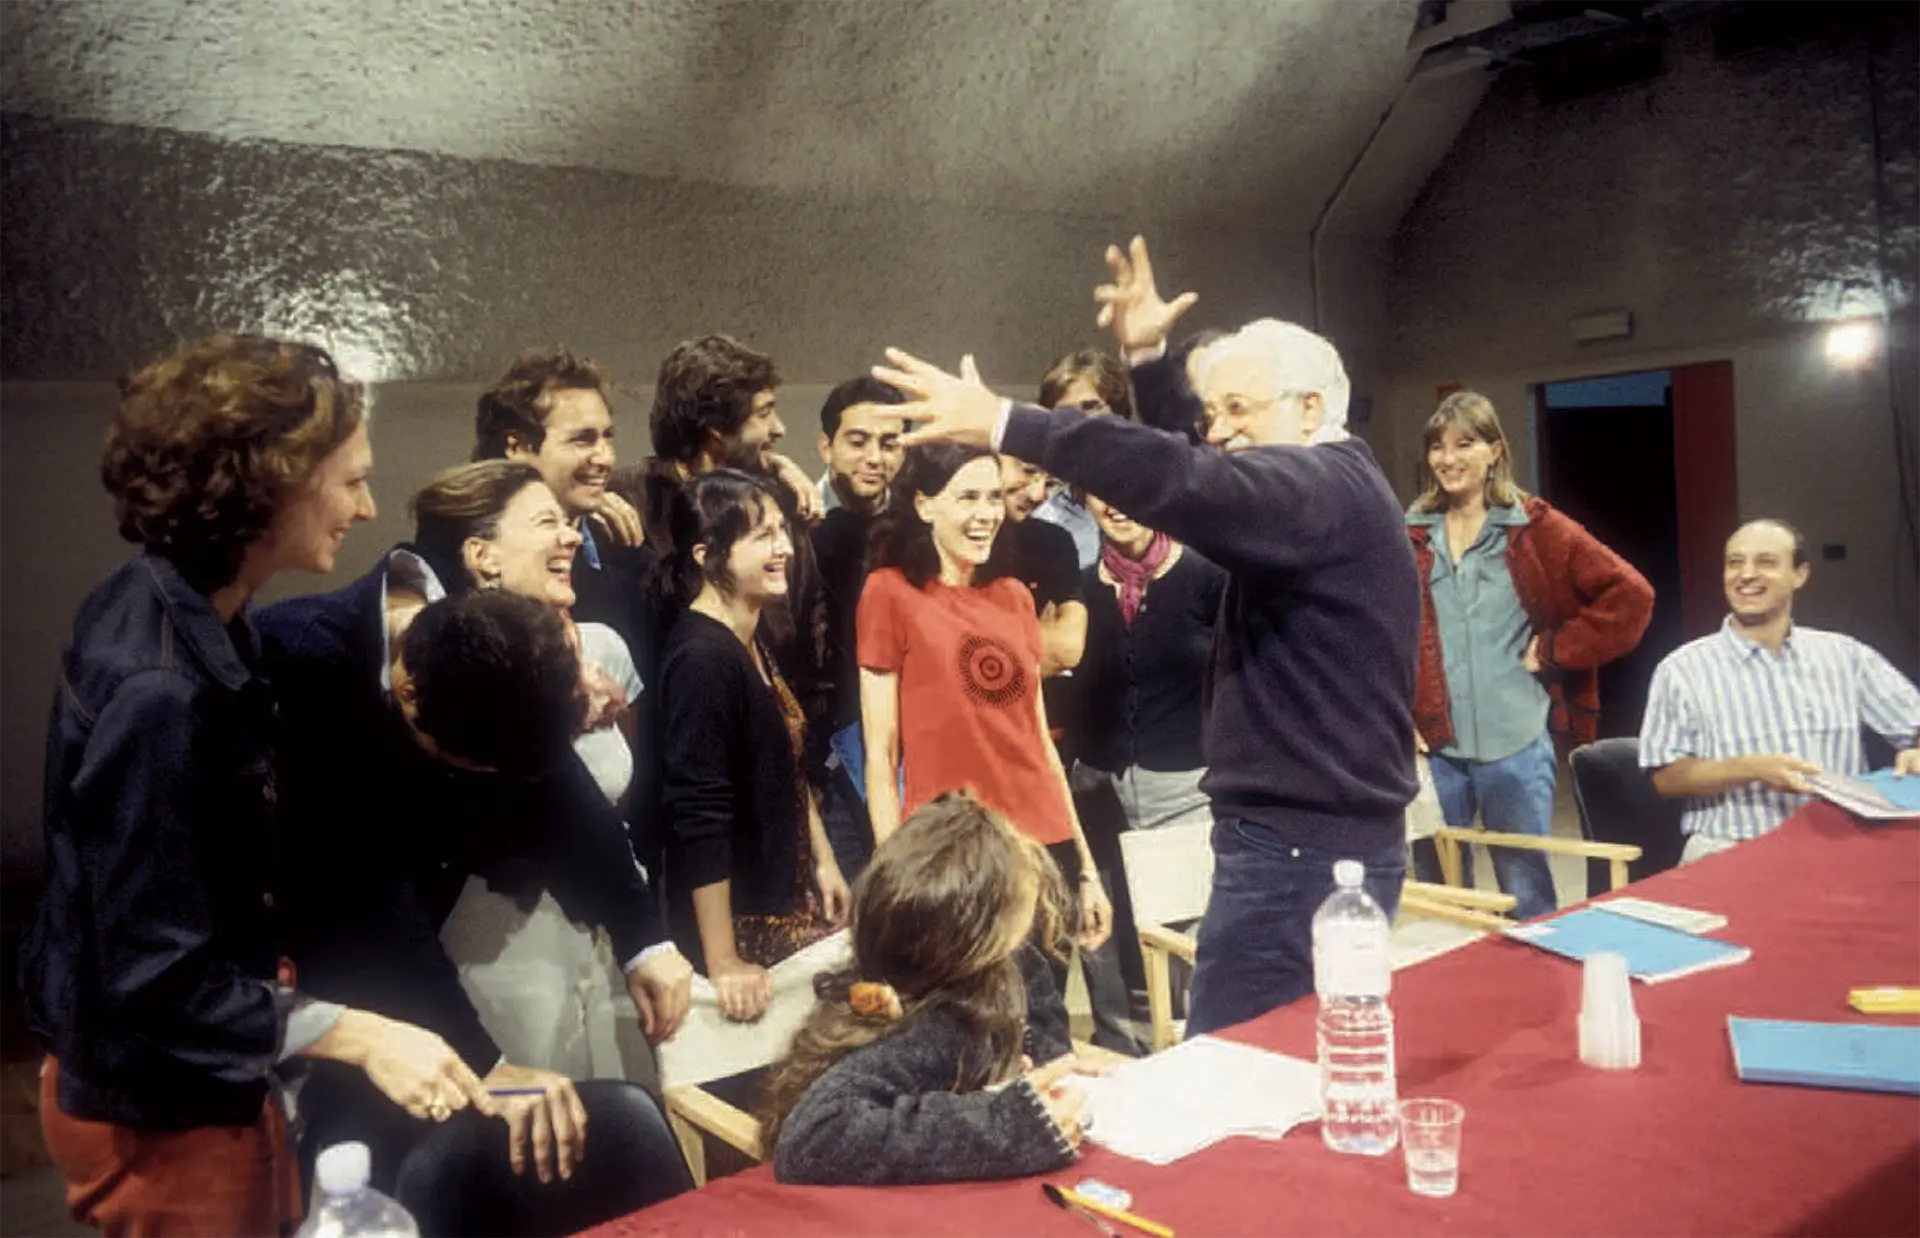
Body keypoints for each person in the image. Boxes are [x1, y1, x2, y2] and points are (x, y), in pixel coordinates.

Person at [869, 235, 1421, 1034]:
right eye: (1214, 410)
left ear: (1310, 409)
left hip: (1300, 856)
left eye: (1241, 410)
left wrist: (1005, 421)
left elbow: (1193, 481)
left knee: (1236, 1076)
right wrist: (1155, 364)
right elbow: (1201, 473)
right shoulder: (1324, 486)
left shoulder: (1320, 489)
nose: (1220, 428)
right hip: (1305, 843)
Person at [19, 334, 501, 1237]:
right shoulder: (159, 692)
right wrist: (358, 1033)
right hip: (159, 1111)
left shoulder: (186, 606)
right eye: (350, 480)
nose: (366, 507)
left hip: (194, 1083)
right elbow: (156, 980)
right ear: (269, 483)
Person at [286, 591, 694, 1236]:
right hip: (341, 994)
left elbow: (566, 793)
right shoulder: (315, 695)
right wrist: (489, 1067)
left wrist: (645, 939)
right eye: (479, 769)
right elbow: (383, 932)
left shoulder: (496, 657)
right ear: (411, 700)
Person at [396, 460, 670, 1086]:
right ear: (482, 555)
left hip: (590, 934)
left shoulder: (595, 650)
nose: (574, 536)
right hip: (499, 942)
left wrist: (640, 932)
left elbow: (604, 803)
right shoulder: (445, 677)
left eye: (572, 523)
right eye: (549, 521)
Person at [762, 792, 1100, 1186]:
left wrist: (1033, 1068)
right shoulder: (934, 1027)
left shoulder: (1011, 969)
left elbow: (1047, 1046)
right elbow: (810, 1141)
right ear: (977, 940)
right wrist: (1008, 1125)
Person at [1406, 391, 1653, 919]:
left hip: (1513, 738)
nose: (1448, 459)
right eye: (1437, 447)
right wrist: (1399, 721)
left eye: (1464, 444)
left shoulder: (1534, 527)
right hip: (1434, 742)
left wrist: (1559, 650)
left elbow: (1630, 595)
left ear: (1494, 450)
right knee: (1441, 893)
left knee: (1525, 887)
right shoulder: (1413, 532)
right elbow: (1390, 631)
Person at [653, 470, 851, 1020]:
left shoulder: (750, 637)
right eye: (763, 536)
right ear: (706, 553)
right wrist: (723, 959)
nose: (783, 548)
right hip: (743, 922)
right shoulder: (701, 658)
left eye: (782, 531)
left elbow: (786, 764)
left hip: (784, 899)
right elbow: (699, 814)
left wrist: (825, 863)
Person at [1641, 518, 1920, 860]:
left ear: (1800, 574)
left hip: (1843, 843)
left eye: (1766, 562)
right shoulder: (1682, 670)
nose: (1746, 575)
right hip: (1732, 848)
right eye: (1734, 563)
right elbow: (1665, 779)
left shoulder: (1845, 656)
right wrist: (1751, 768)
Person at [471, 347, 655, 667]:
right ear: (517, 447)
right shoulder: (457, 559)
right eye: (583, 439)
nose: (605, 458)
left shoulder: (616, 544)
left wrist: (639, 561)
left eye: (607, 437)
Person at [809, 377, 909, 881]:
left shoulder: (915, 534)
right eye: (858, 440)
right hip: (823, 767)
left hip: (905, 754)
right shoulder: (791, 529)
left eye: (889, 443)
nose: (874, 456)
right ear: (825, 445)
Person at [1031, 350, 1137, 568]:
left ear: (1118, 414)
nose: (1078, 423)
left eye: (1090, 407)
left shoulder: (1159, 498)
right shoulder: (1045, 521)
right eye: (1064, 413)